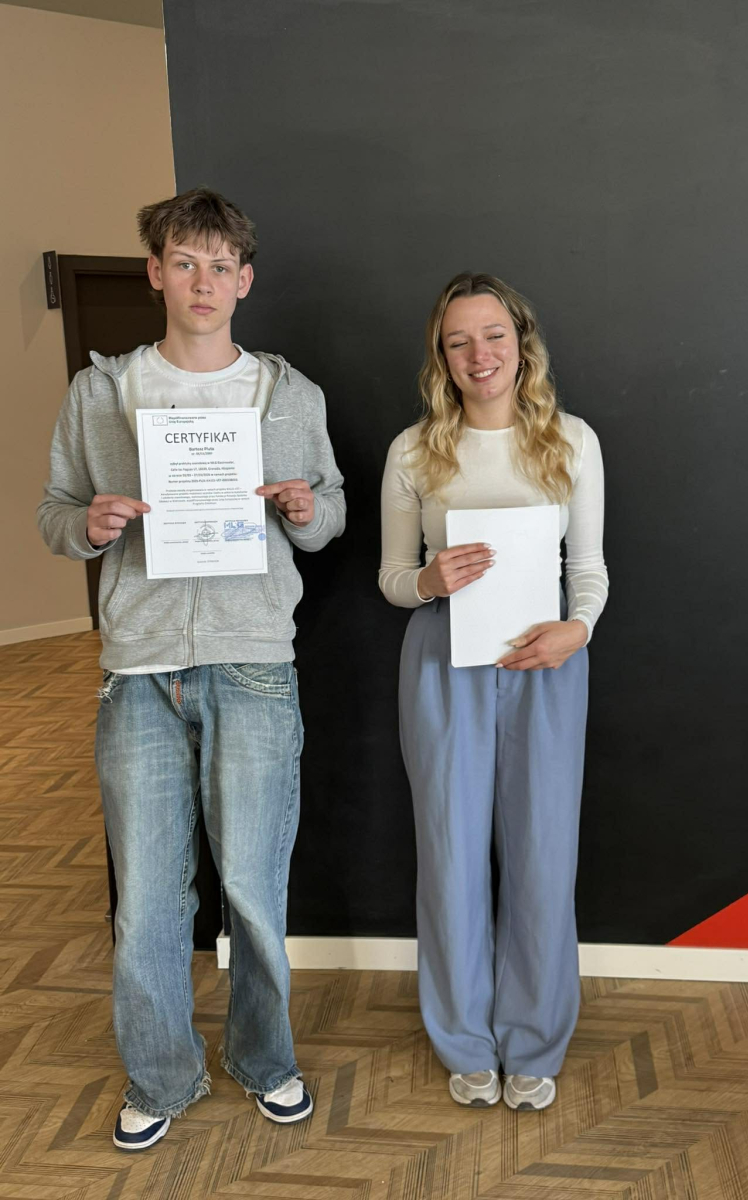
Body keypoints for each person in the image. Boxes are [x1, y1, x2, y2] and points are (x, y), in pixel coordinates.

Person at [37, 188, 345, 1150]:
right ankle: (162, 1076)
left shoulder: (290, 396)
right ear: (155, 273)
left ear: (243, 281)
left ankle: (266, 1060)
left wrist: (306, 512)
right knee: (146, 899)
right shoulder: (102, 393)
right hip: (139, 669)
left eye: (220, 266)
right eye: (184, 262)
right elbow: (56, 512)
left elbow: (331, 511)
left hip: (253, 664)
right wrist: (88, 527)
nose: (202, 282)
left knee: (252, 886)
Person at [379, 272, 608, 1111]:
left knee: (544, 852)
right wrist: (429, 580)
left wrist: (578, 629)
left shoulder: (570, 441)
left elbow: (589, 569)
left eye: (493, 335)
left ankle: (535, 1038)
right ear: (442, 357)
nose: (479, 355)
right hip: (444, 663)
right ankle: (465, 1039)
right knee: (450, 853)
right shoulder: (414, 451)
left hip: (548, 663)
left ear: (521, 343)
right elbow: (391, 578)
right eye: (459, 341)